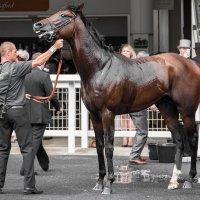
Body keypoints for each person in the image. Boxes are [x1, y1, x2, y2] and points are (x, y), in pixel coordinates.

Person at [0, 39, 63, 194]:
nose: (17, 54)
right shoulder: (16, 67)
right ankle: (29, 186)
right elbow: (39, 61)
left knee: (2, 149)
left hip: (2, 112)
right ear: (8, 53)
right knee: (27, 149)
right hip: (18, 112)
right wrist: (54, 47)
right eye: (15, 51)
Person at [20, 52, 61, 176]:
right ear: (42, 61)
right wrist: (58, 107)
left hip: (24, 112)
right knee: (34, 142)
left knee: (34, 140)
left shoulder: (22, 74)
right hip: (39, 114)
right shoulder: (43, 76)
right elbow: (50, 95)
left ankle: (44, 162)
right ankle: (25, 169)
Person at [128, 50, 153, 165]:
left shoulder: (132, 70)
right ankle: (134, 155)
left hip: (134, 104)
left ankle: (136, 154)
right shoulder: (142, 73)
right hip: (138, 104)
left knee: (141, 131)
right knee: (142, 132)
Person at [119, 44, 137, 147]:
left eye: (127, 51)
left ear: (131, 53)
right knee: (123, 117)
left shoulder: (133, 64)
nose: (125, 53)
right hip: (121, 92)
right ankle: (124, 140)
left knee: (131, 118)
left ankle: (130, 140)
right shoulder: (118, 64)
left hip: (131, 92)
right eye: (123, 51)